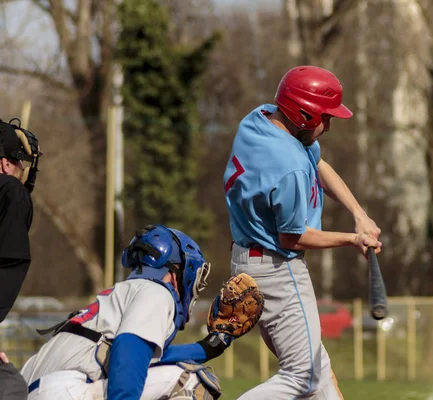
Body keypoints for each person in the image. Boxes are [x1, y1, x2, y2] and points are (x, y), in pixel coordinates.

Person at [223, 65, 382, 400]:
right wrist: (352, 239)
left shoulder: (261, 118)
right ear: (304, 115)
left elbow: (318, 165)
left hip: (250, 259)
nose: (329, 125)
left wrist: (359, 214)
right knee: (303, 378)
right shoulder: (289, 164)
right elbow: (292, 237)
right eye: (325, 117)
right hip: (277, 267)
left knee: (318, 371)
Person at [20, 224, 264, 400]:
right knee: (192, 381)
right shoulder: (157, 293)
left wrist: (210, 347)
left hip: (39, 390)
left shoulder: (122, 294)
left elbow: (144, 358)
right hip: (64, 391)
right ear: (179, 271)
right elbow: (127, 361)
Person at [0, 118, 42, 400]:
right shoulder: (11, 191)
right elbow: (8, 260)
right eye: (20, 163)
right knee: (12, 387)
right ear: (6, 163)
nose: (22, 171)